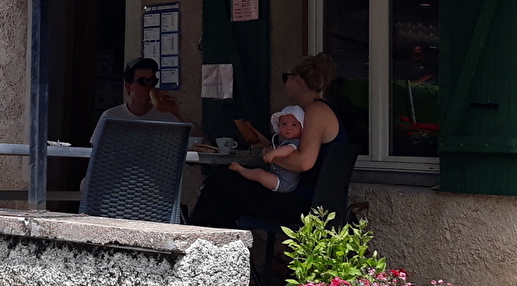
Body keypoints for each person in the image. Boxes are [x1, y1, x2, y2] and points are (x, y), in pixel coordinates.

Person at [189, 53, 350, 228]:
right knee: (225, 197)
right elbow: (296, 152)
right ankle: (214, 247)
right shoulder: (317, 110)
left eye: (285, 78)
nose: (285, 84)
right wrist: (267, 145)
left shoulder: (316, 111)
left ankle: (194, 242)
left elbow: (304, 162)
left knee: (222, 180)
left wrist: (268, 153)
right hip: (308, 200)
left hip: (305, 205)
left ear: (298, 80)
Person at [91, 57, 202, 142]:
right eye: (143, 81)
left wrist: (178, 113)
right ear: (129, 86)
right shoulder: (111, 116)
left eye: (152, 81)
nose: (149, 86)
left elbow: (202, 143)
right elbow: (96, 150)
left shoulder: (165, 115)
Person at [228, 106, 304, 193]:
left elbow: (288, 150)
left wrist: (273, 153)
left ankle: (241, 170)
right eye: (284, 124)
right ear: (278, 126)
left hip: (284, 182)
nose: (288, 128)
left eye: (294, 125)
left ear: (301, 128)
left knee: (259, 174)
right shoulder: (283, 141)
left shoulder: (295, 142)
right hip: (276, 174)